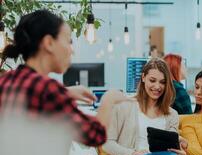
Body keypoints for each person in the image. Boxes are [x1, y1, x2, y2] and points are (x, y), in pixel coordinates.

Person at [0, 10, 126, 146]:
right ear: (49, 43)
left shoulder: (6, 80)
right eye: (68, 41)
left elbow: (30, 95)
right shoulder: (48, 90)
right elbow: (95, 135)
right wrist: (108, 99)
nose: (72, 50)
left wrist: (65, 93)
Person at [103, 58, 186, 155]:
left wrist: (180, 154)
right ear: (143, 78)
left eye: (162, 82)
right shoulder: (124, 106)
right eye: (152, 80)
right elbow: (107, 143)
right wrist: (132, 153)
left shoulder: (172, 114)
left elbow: (171, 147)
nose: (157, 86)